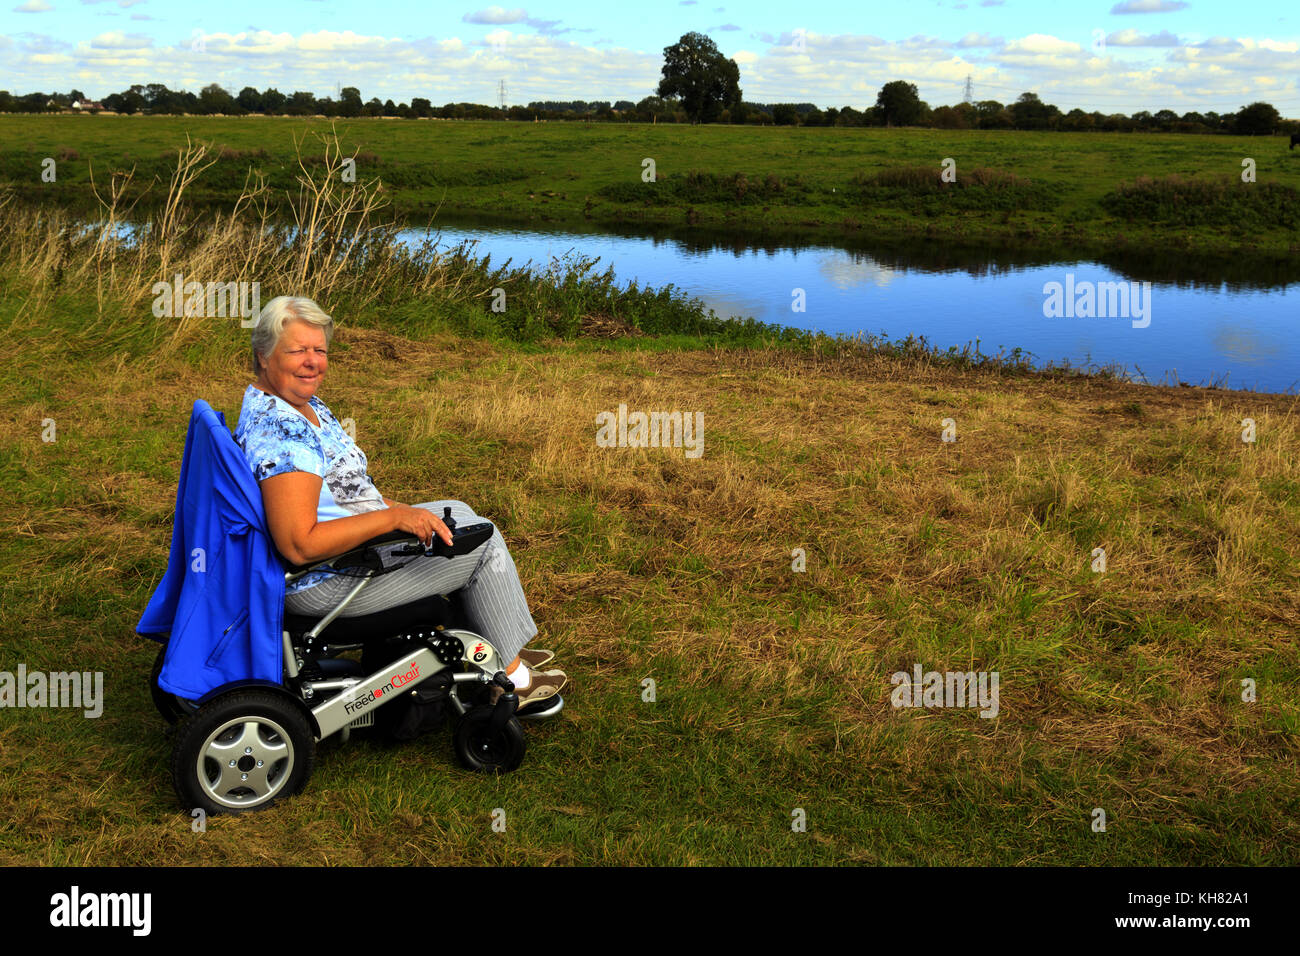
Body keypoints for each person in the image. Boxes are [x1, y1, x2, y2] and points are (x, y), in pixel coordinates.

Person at [233, 295, 565, 708]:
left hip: (343, 558)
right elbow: (300, 544)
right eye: (298, 350)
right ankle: (513, 677)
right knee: (483, 542)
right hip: (326, 580)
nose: (312, 361)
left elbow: (344, 489)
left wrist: (405, 514)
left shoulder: (294, 405)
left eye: (319, 350)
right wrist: (393, 518)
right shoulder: (286, 433)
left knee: (458, 514)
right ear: (264, 355)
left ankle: (498, 643)